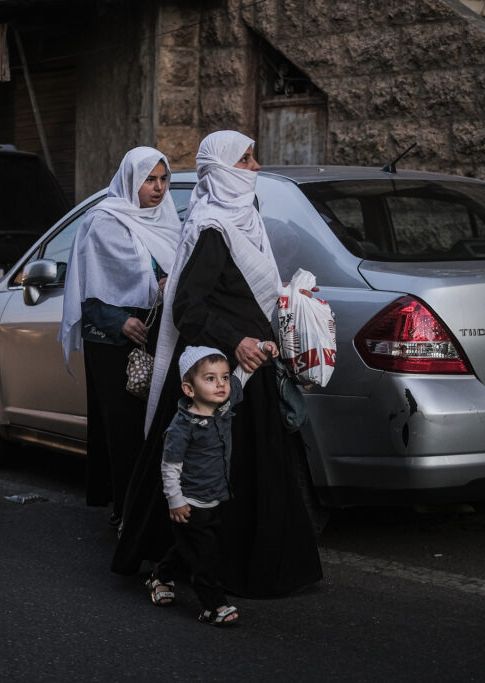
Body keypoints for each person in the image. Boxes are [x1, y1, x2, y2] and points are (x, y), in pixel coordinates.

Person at [113, 131, 323, 597]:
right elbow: (189, 307)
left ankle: (252, 564)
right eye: (245, 159)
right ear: (221, 169)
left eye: (252, 157)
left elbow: (246, 292)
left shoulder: (247, 218)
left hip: (253, 368)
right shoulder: (210, 228)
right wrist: (236, 339)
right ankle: (193, 566)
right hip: (220, 372)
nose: (254, 165)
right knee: (210, 471)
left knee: (254, 470)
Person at [59, 147, 183, 529]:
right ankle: (124, 510)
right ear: (131, 180)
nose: (158, 188)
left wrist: (169, 283)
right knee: (124, 429)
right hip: (113, 344)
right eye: (150, 179)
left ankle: (149, 509)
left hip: (159, 337)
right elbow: (87, 292)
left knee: (157, 429)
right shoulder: (102, 222)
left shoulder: (169, 220)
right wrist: (119, 321)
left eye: (163, 179)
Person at [148, 345, 274, 627]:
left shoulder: (224, 407)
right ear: (189, 389)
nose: (221, 384)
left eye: (224, 377)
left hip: (215, 498)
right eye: (210, 378)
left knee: (188, 549)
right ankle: (213, 606)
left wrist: (263, 349)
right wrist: (175, 500)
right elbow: (170, 466)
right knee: (205, 557)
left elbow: (245, 373)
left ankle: (160, 575)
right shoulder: (183, 426)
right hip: (189, 504)